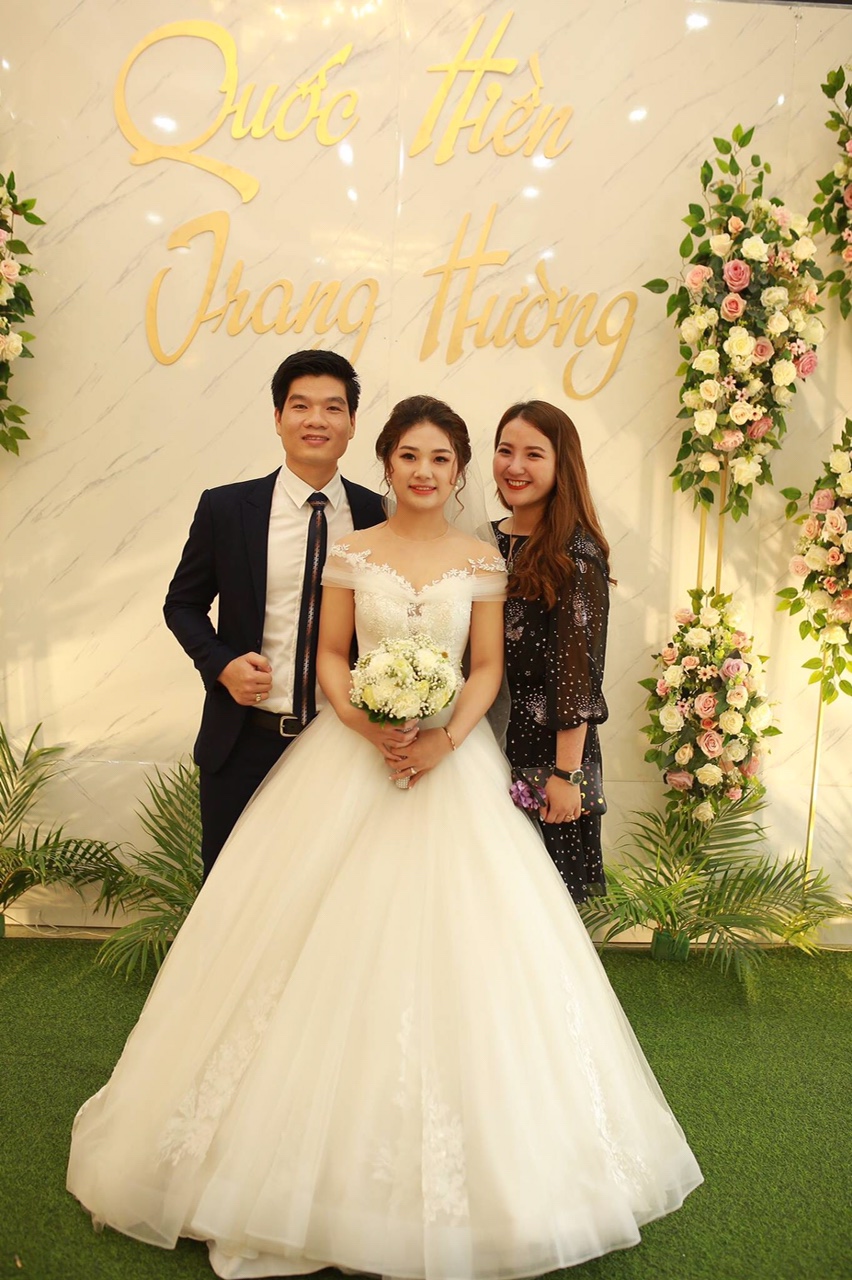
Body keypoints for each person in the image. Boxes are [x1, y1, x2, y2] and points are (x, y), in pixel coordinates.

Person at [68, 396, 701, 1279]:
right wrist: (369, 725)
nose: (423, 472)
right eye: (409, 456)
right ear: (388, 461)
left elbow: (486, 668)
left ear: (458, 469)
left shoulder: (483, 558)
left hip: (452, 767)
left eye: (441, 459)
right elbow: (331, 655)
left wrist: (443, 740)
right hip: (350, 757)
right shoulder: (353, 550)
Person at [163, 349, 389, 879]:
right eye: (300, 406)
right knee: (233, 893)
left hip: (344, 744)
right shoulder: (226, 508)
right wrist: (221, 664)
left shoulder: (380, 515)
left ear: (353, 423)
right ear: (277, 417)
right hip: (244, 741)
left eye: (333, 408)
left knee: (332, 895)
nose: (316, 420)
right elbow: (183, 604)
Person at [492, 400, 612, 903]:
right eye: (505, 451)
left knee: (537, 905)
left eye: (533, 454)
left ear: (562, 465)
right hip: (481, 745)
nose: (515, 466)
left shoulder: (574, 555)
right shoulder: (485, 542)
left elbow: (577, 675)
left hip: (544, 757)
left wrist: (566, 775)